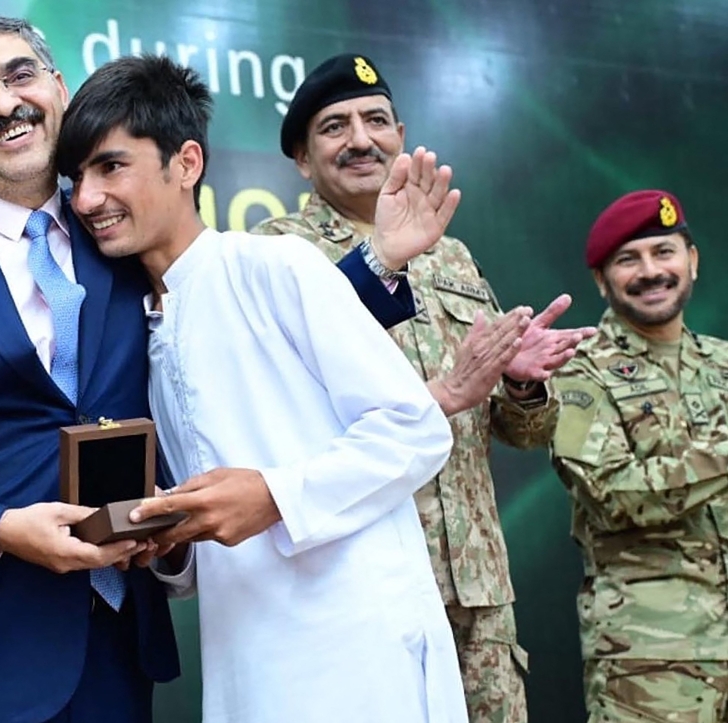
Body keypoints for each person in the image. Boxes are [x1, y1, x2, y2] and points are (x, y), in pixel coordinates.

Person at [0, 16, 428, 723]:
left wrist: (379, 264)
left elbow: (236, 317)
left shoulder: (122, 235)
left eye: (19, 75)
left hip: (116, 655)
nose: (4, 103)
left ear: (58, 90)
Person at [57, 53, 470, 723]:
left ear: (185, 163)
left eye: (111, 167)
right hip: (246, 657)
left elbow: (416, 427)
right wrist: (172, 536)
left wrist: (274, 495)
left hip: (358, 651)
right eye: (75, 178)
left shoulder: (275, 266)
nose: (86, 200)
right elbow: (200, 553)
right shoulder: (144, 329)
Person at [245, 53, 596, 723]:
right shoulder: (276, 252)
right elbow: (279, 393)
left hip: (479, 589)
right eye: (334, 126)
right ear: (301, 159)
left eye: (376, 121)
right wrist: (385, 263)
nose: (360, 139)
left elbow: (520, 431)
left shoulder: (451, 255)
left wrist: (520, 387)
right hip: (363, 584)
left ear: (400, 137)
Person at [549, 190, 728, 721]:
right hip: (653, 659)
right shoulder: (578, 372)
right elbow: (614, 497)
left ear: (692, 261)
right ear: (602, 281)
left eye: (664, 252)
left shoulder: (723, 363)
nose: (651, 271)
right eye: (629, 259)